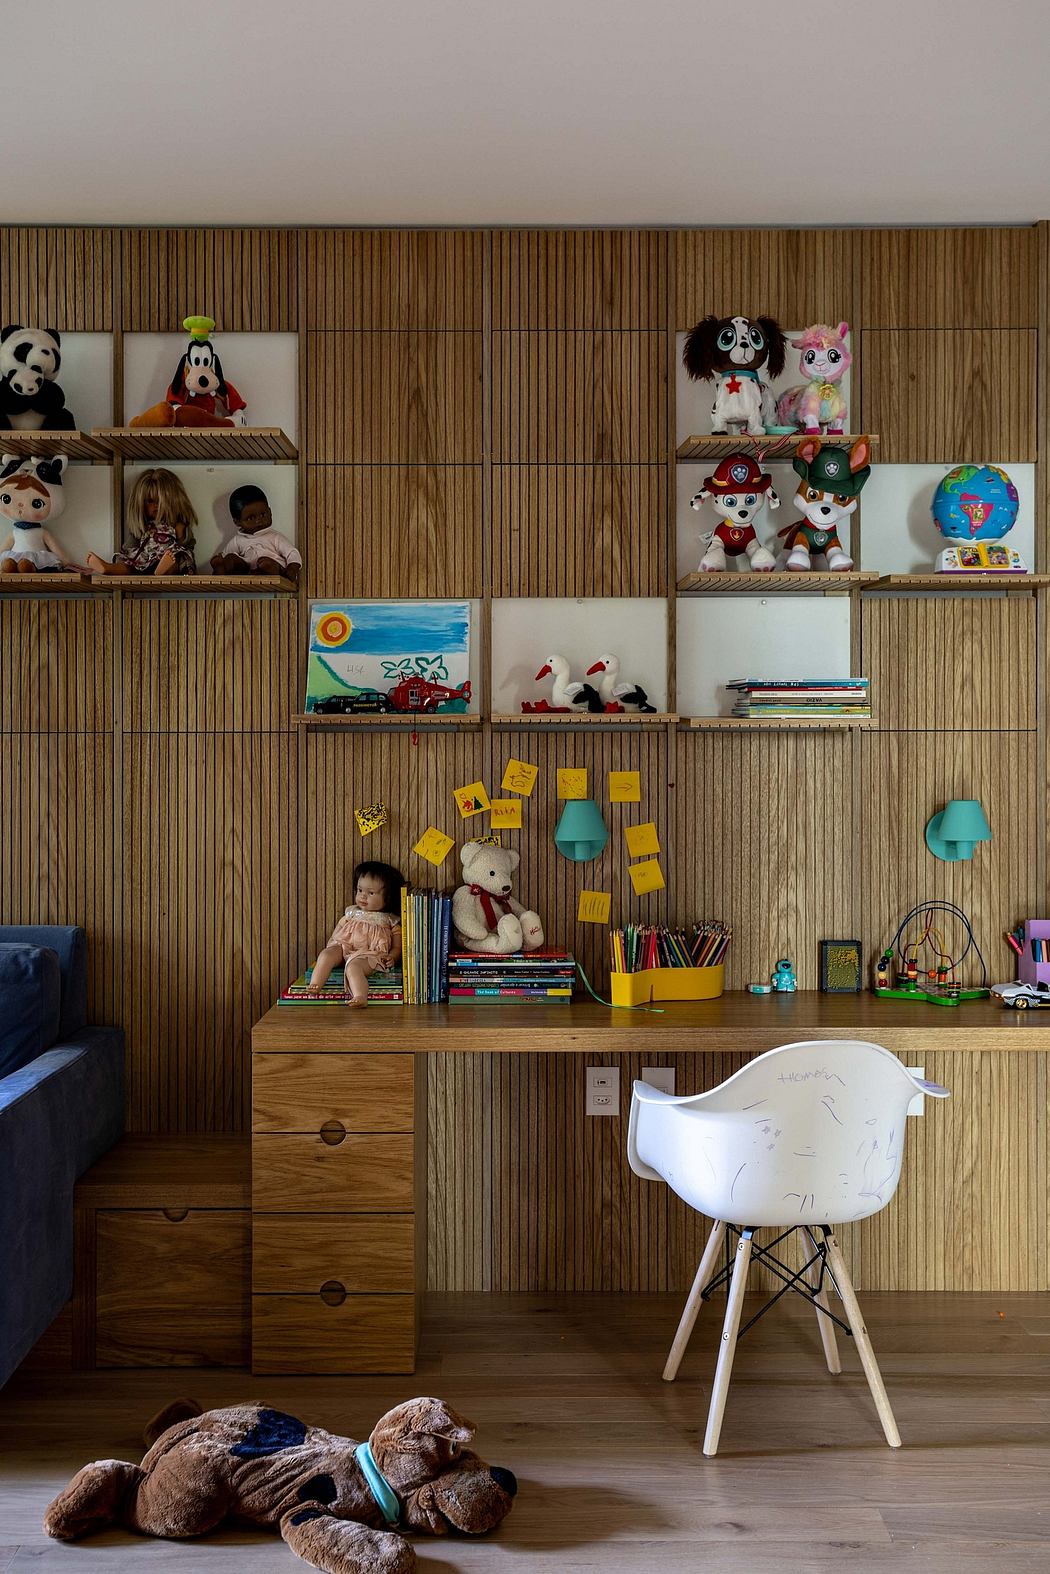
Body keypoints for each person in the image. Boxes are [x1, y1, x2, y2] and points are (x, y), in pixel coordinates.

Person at [307, 860, 404, 1006]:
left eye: (371, 893)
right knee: (326, 955)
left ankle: (360, 996)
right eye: (359, 890)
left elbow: (397, 946)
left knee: (354, 967)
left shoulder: (390, 920)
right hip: (344, 947)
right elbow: (338, 931)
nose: (363, 896)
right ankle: (315, 983)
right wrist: (332, 945)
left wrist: (393, 957)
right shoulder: (351, 912)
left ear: (388, 897)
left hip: (370, 954)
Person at [87, 468, 196, 576]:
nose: (156, 505)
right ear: (141, 504)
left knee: (176, 561)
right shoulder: (144, 528)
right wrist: (126, 556)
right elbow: (129, 546)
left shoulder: (176, 525)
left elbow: (188, 544)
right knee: (128, 563)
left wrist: (181, 534)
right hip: (145, 560)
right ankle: (108, 568)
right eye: (150, 501)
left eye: (161, 501)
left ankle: (164, 570)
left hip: (168, 558)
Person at [210, 483, 301, 583]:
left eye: (263, 514)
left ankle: (266, 571)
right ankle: (221, 571)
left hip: (274, 569)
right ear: (237, 522)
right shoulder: (238, 540)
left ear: (270, 512)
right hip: (248, 572)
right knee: (231, 559)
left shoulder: (275, 537)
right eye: (251, 518)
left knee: (266, 564)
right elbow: (225, 555)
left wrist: (292, 568)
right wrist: (222, 562)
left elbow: (292, 553)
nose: (258, 521)